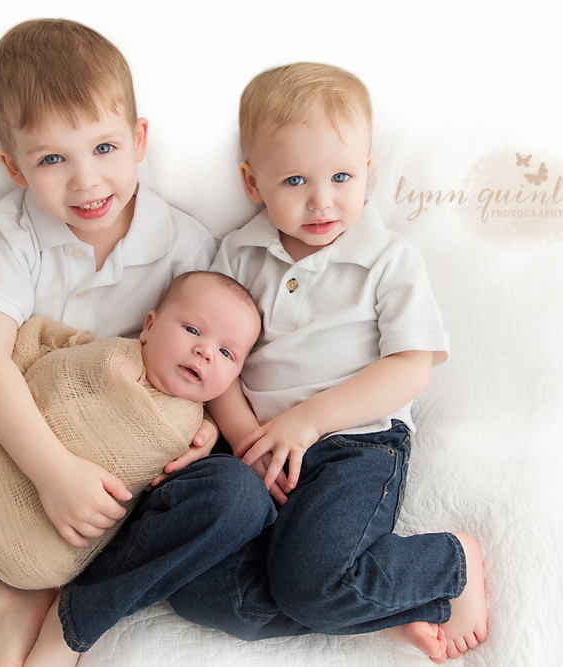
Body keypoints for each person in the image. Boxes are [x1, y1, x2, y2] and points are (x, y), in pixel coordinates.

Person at [0, 20, 273, 667]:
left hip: (129, 482)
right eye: (53, 159)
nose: (87, 182)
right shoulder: (17, 233)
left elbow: (220, 359)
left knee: (235, 498)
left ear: (139, 140)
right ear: (15, 166)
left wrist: (211, 427)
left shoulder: (186, 246)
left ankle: (73, 620)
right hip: (25, 456)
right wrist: (52, 471)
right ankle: (5, 598)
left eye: (104, 147)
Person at [167, 62, 489, 663]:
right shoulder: (237, 255)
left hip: (354, 445)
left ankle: (449, 565)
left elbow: (411, 366)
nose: (321, 201)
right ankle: (363, 608)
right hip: (258, 446)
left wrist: (310, 420)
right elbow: (218, 365)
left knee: (309, 580)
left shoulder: (389, 260)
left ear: (367, 173)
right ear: (252, 182)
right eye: (294, 180)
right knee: (197, 590)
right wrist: (245, 440)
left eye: (342, 176)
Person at [0, 271, 262, 593]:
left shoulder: (192, 432)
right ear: (149, 326)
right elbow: (50, 378)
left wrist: (210, 427)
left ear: (235, 377)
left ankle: (15, 587)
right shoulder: (108, 357)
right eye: (192, 330)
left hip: (58, 536)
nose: (205, 352)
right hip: (9, 446)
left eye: (226, 352)